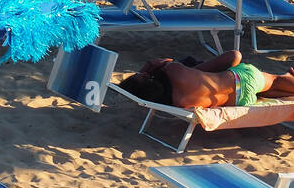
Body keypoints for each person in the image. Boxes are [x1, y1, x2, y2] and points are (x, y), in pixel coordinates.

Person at [119, 51, 294, 110]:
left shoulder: (174, 104)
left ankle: (289, 81)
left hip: (240, 102)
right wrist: (151, 66)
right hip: (243, 78)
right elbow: (234, 56)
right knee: (276, 80)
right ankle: (289, 79)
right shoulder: (174, 70)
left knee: (269, 88)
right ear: (147, 78)